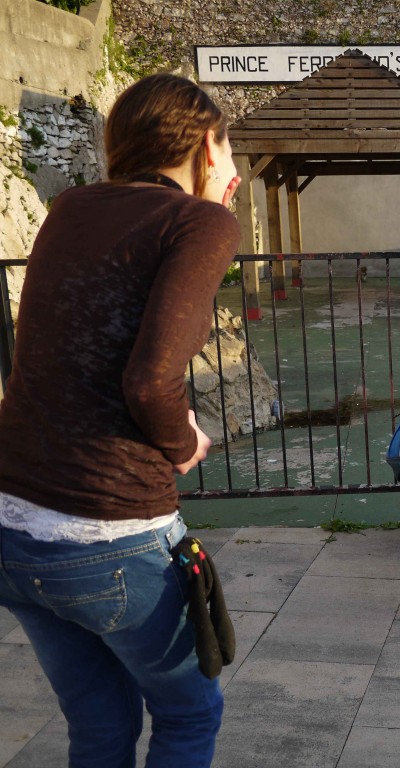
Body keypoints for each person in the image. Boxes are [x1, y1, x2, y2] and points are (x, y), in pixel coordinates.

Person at [0, 74, 242, 767]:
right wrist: (185, 441)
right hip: (107, 533)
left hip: (12, 526)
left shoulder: (71, 207)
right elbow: (150, 381)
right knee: (190, 715)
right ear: (204, 144)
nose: (232, 172)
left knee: (100, 725)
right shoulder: (200, 221)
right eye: (228, 151)